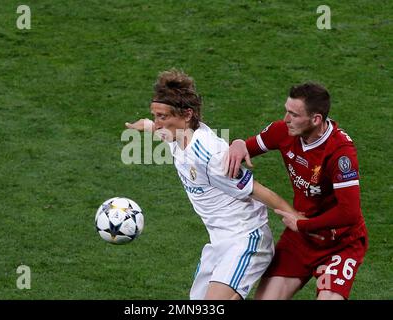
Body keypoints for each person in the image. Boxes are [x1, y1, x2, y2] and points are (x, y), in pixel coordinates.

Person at [125, 69, 297, 300]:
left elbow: (258, 190)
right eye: (155, 116)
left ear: (186, 115)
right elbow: (158, 130)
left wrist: (297, 218)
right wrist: (145, 125)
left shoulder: (210, 155)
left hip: (245, 238)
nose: (157, 123)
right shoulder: (177, 136)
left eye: (162, 117)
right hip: (219, 242)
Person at [227, 83, 368, 300]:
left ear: (316, 119)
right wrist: (238, 144)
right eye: (287, 110)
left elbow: (349, 213)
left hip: (339, 243)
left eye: (294, 114)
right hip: (301, 239)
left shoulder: (340, 153)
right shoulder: (283, 131)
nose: (285, 119)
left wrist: (303, 224)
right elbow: (247, 147)